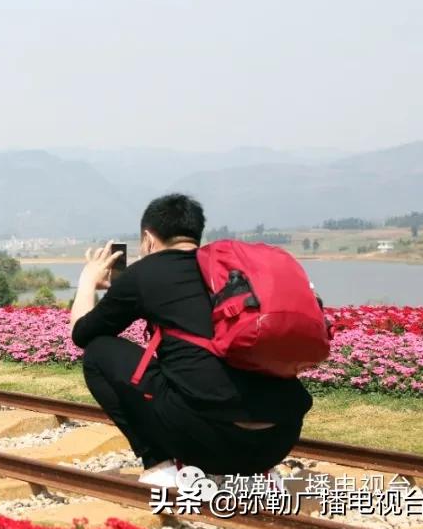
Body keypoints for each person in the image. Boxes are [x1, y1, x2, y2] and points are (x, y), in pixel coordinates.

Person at [69, 194, 312, 486]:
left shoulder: (145, 273)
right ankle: (258, 474)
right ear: (196, 234)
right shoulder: (228, 274)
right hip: (280, 439)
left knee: (98, 352)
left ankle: (159, 465)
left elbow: (82, 334)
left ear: (147, 239)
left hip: (209, 443)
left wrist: (87, 283)